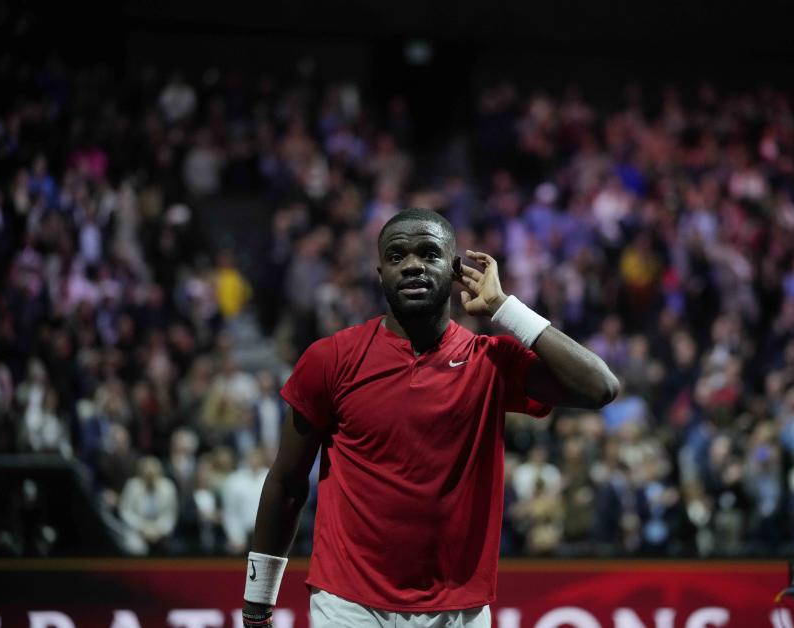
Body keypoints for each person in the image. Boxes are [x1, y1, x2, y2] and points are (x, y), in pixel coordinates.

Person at [241, 208, 618, 627]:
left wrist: (504, 307)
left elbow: (600, 387)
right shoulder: (331, 360)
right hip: (348, 605)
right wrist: (258, 604)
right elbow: (287, 482)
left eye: (429, 253)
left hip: (458, 610)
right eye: (397, 256)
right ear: (380, 272)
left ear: (456, 269)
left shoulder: (490, 360)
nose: (413, 265)